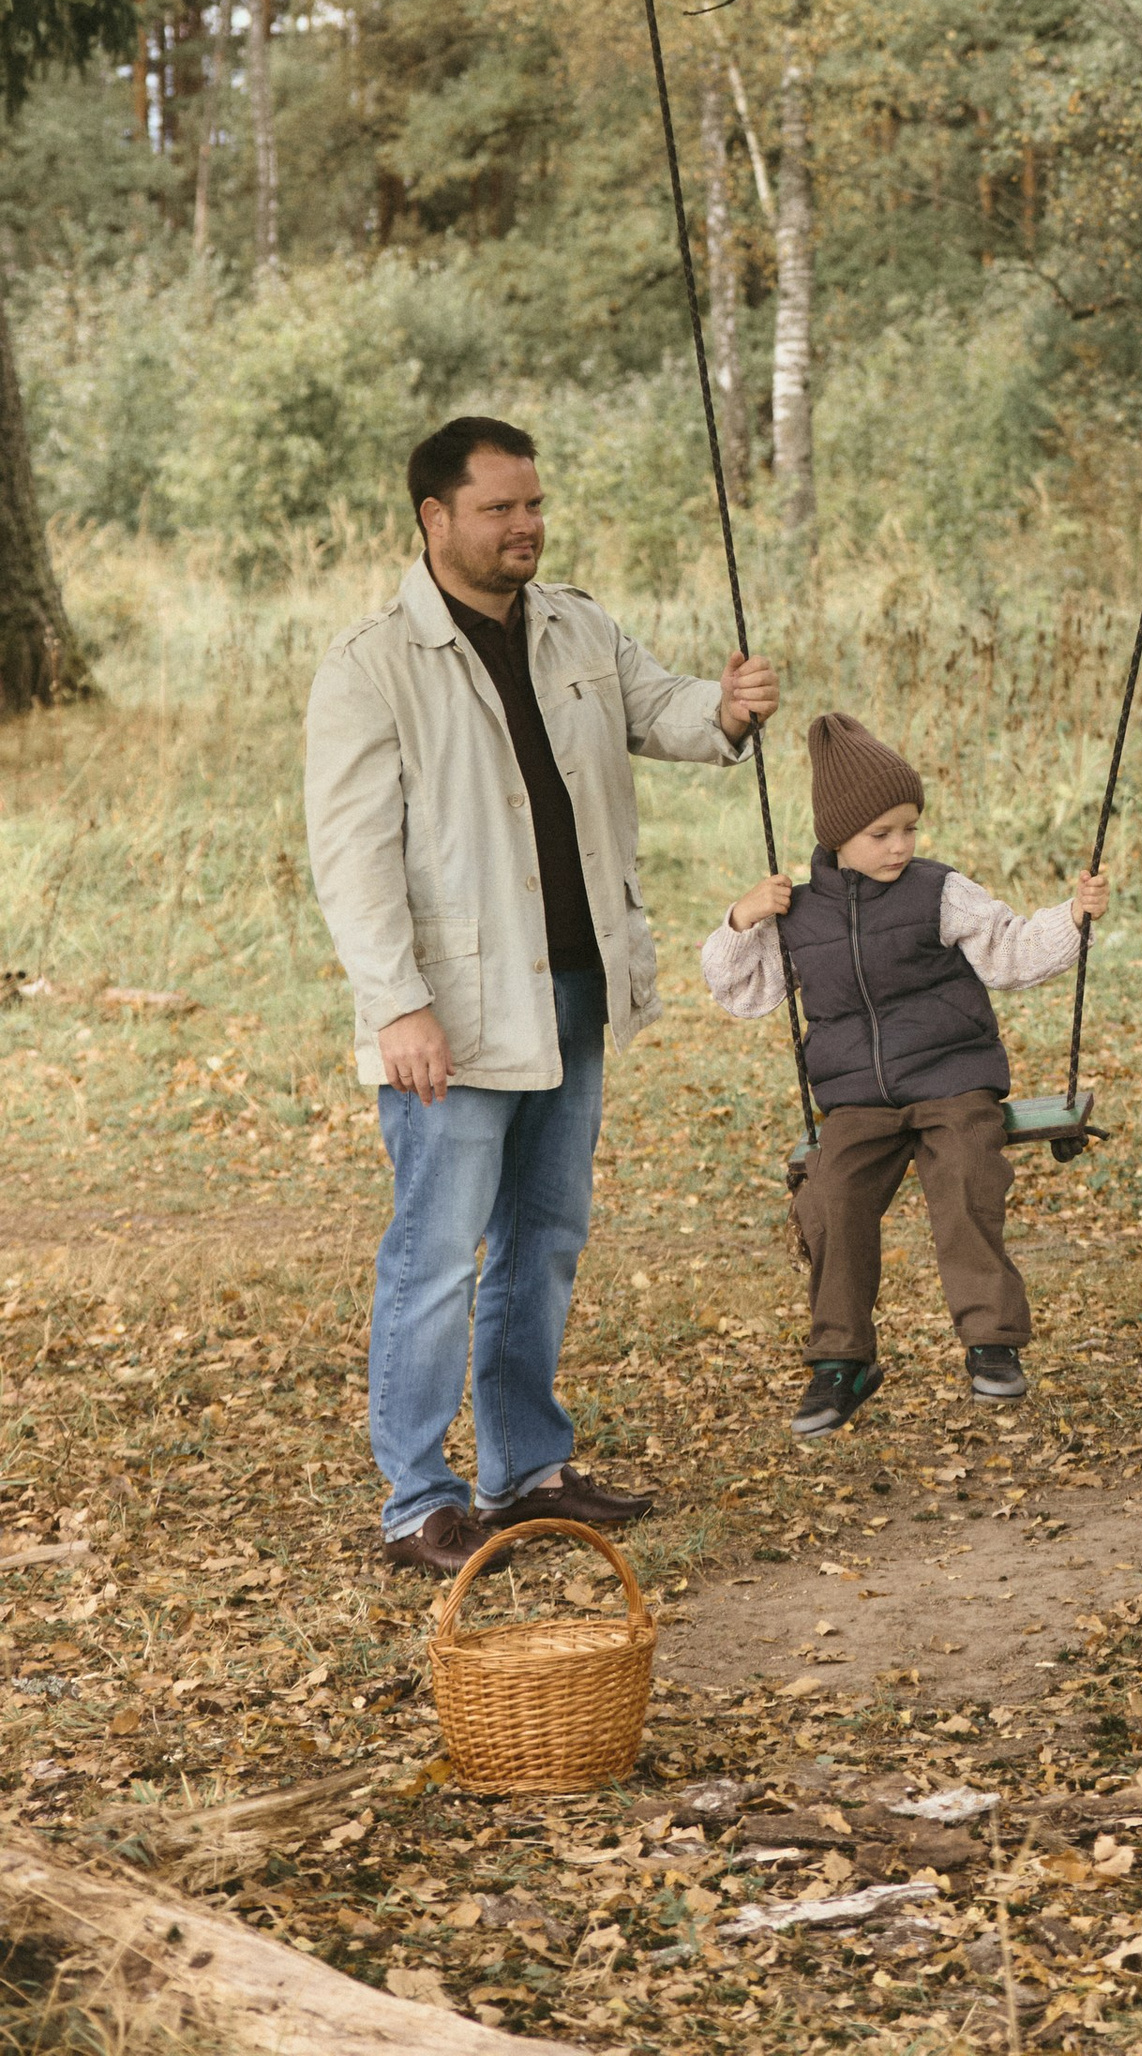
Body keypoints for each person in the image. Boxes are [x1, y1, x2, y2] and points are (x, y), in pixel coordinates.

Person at [305, 415, 782, 1575]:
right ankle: (419, 1501)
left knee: (544, 1239)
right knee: (436, 1254)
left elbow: (656, 708)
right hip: (453, 1017)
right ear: (435, 518)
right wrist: (396, 1006)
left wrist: (720, 712)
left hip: (577, 987)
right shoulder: (372, 665)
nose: (526, 526)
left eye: (534, 505)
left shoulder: (574, 623)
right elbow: (352, 858)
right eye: (499, 508)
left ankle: (527, 1472)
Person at [701, 713, 1106, 1428]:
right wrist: (741, 919)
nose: (899, 846)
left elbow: (1009, 950)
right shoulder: (797, 916)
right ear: (836, 838)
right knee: (828, 1197)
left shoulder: (937, 892)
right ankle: (841, 1361)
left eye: (909, 828)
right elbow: (741, 992)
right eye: (879, 834)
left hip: (953, 1079)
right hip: (857, 1099)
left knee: (965, 1175)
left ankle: (991, 1343)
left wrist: (1072, 916)